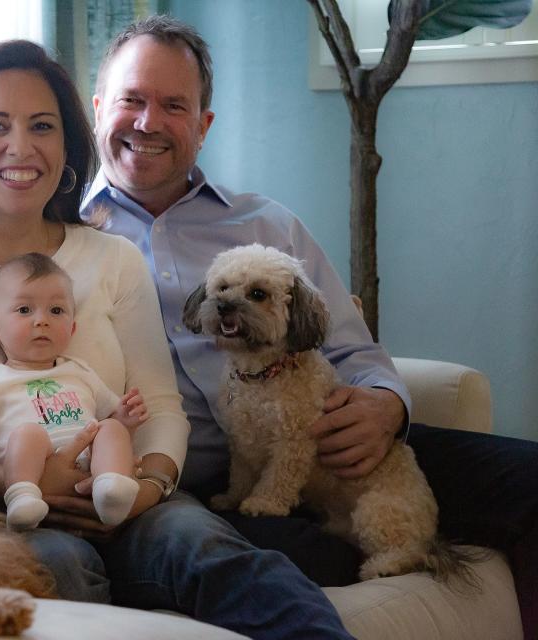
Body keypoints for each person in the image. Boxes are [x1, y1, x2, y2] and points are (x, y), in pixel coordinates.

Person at [0, 38, 356, 639]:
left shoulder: (113, 256)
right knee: (61, 568)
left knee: (224, 557)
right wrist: (21, 485)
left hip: (136, 497)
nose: (21, 146)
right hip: (6, 512)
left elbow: (161, 405)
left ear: (68, 145)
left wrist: (147, 488)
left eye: (42, 126)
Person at [77, 14, 537, 636]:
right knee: (303, 553)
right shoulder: (66, 241)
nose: (149, 122)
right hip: (200, 480)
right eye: (132, 100)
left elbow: (351, 346)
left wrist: (384, 405)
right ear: (100, 106)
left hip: (335, 442)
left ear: (204, 126)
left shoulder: (266, 223)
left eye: (174, 105)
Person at [0, 252, 147, 530]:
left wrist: (125, 420)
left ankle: (111, 491)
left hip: (89, 469)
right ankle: (23, 497)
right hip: (32, 469)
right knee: (29, 433)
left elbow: (111, 417)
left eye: (56, 311)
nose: (42, 320)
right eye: (24, 310)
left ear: (72, 328)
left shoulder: (80, 370)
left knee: (110, 430)